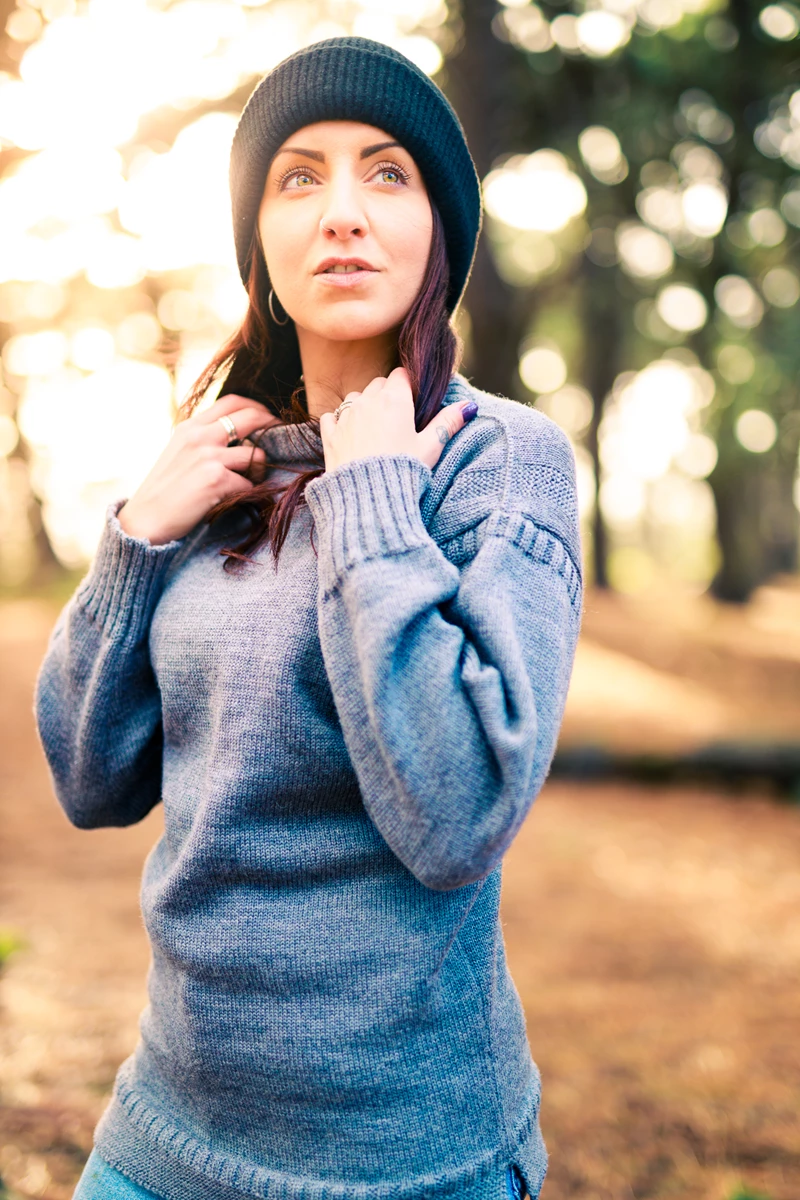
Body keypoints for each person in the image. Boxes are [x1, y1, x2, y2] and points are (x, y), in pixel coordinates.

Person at [33, 36, 583, 1200]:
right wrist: (137, 537)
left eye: (386, 174)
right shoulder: (217, 467)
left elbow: (456, 817)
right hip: (163, 1138)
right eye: (298, 177)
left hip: (409, 1162)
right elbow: (90, 778)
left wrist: (373, 493)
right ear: (258, 242)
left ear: (439, 229)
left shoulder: (498, 464)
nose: (341, 212)